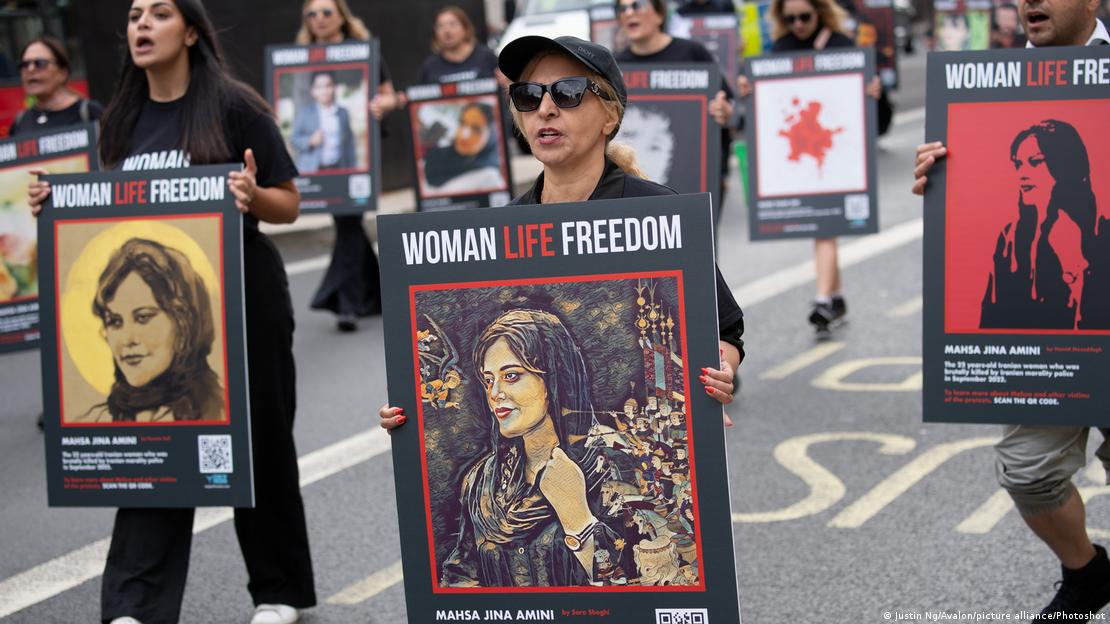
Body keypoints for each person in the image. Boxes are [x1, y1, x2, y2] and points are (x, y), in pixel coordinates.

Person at [29, 1, 315, 622]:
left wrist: (251, 195)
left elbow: (289, 203)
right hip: (158, 322)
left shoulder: (236, 106)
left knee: (260, 444)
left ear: (189, 31)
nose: (141, 25)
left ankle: (278, 592)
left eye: (158, 14)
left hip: (245, 302)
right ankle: (134, 603)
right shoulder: (121, 120)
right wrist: (57, 207)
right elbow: (115, 216)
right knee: (152, 447)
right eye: (134, 15)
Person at [381, 36, 744, 441]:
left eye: (568, 93)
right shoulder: (502, 231)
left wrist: (720, 373)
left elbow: (725, 331)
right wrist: (412, 411)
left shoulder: (660, 213)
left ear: (609, 116)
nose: (546, 109)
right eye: (528, 96)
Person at [913, 1, 1110, 618]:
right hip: (1044, 343)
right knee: (1026, 472)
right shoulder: (987, 92)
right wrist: (939, 180)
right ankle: (1087, 571)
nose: (1029, 0)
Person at [438, 309, 631, 586]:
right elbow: (463, 574)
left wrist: (578, 518)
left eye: (512, 376)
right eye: (489, 379)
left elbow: (643, 582)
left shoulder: (612, 465)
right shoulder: (482, 481)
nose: (494, 393)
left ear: (553, 380)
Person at [737, 0, 883, 334]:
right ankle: (836, 297)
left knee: (825, 227)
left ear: (820, 12)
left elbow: (876, 113)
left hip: (833, 156)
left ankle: (822, 301)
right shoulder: (780, 50)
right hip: (802, 156)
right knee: (824, 225)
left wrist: (875, 94)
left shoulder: (842, 47)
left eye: (805, 16)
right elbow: (769, 106)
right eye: (791, 18)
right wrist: (750, 92)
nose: (799, 24)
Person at [297, 0, 403, 332]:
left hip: (357, 159)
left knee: (348, 222)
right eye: (312, 14)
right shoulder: (301, 61)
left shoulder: (363, 52)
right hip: (320, 165)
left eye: (326, 11)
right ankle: (380, 293)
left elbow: (393, 97)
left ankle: (346, 303)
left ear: (341, 16)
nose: (319, 19)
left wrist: (378, 105)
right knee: (348, 225)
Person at [980, 120, 1109, 331]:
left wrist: (1075, 271)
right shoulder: (1010, 237)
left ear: (1064, 165)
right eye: (1018, 164)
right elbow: (989, 319)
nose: (1022, 173)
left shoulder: (1101, 234)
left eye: (1035, 162)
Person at [614, 0, 735, 222]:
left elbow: (726, 101)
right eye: (623, 8)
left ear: (659, 14)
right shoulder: (614, 66)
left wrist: (724, 111)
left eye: (637, 6)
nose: (629, 13)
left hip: (695, 180)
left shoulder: (691, 53)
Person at [80, 238, 224, 423]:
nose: (127, 339)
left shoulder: (222, 413)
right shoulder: (96, 421)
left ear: (183, 324)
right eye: (115, 322)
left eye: (143, 317)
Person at [8, 35, 103, 136]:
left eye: (40, 63)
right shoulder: (20, 122)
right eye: (24, 64)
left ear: (63, 72)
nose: (30, 69)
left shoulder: (89, 113)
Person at [421, 101, 503, 193]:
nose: (464, 135)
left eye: (476, 129)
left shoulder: (489, 178)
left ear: (491, 135)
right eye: (462, 123)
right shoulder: (436, 158)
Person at [289, 71, 356, 173]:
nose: (324, 90)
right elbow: (293, 139)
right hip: (312, 170)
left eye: (328, 85)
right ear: (313, 91)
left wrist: (352, 169)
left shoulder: (343, 113)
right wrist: (310, 141)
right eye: (319, 87)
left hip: (338, 168)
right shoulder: (305, 113)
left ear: (334, 88)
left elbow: (349, 144)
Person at [418, 6, 500, 84]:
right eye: (440, 26)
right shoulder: (429, 66)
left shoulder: (487, 57)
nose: (447, 30)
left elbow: (505, 90)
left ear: (465, 28)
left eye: (452, 24)